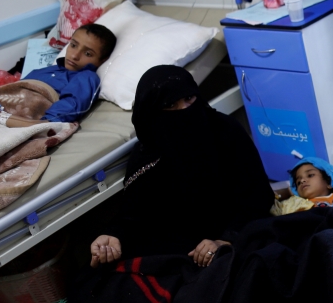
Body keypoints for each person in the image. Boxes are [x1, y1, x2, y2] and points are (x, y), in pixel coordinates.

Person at [89, 65, 274, 268]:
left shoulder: (225, 131)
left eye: (189, 99)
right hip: (176, 245)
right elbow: (135, 212)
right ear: (153, 112)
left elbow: (257, 197)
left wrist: (226, 239)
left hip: (233, 234)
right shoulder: (149, 151)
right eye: (171, 105)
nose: (185, 111)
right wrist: (114, 234)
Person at [0, 24, 116, 126]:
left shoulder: (85, 78)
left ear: (102, 60)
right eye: (73, 45)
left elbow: (51, 122)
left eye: (88, 54)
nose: (75, 55)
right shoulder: (45, 71)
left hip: (2, 119)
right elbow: (9, 95)